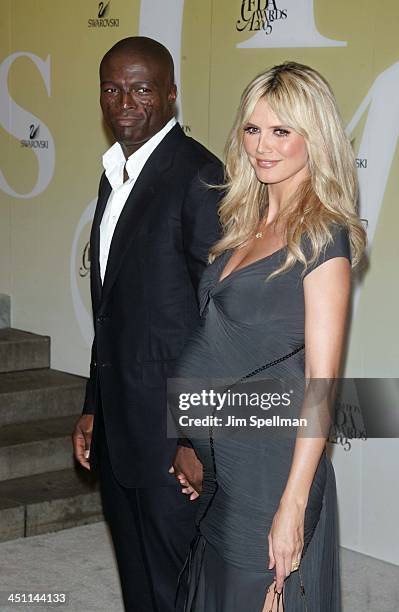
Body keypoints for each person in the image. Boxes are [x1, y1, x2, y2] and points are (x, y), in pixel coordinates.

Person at [172, 62, 366, 611]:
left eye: (282, 131)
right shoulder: (245, 223)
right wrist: (194, 440)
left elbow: (321, 387)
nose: (263, 145)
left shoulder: (322, 237)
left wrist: (292, 508)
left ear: (315, 138)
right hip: (222, 468)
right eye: (253, 129)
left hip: (268, 476)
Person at [72, 36, 223, 612]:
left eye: (141, 89)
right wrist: (93, 405)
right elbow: (111, 311)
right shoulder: (115, 174)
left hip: (170, 432)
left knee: (179, 583)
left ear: (171, 95)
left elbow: (216, 317)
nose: (125, 103)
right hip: (118, 422)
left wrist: (193, 436)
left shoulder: (199, 176)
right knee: (138, 579)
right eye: (112, 89)